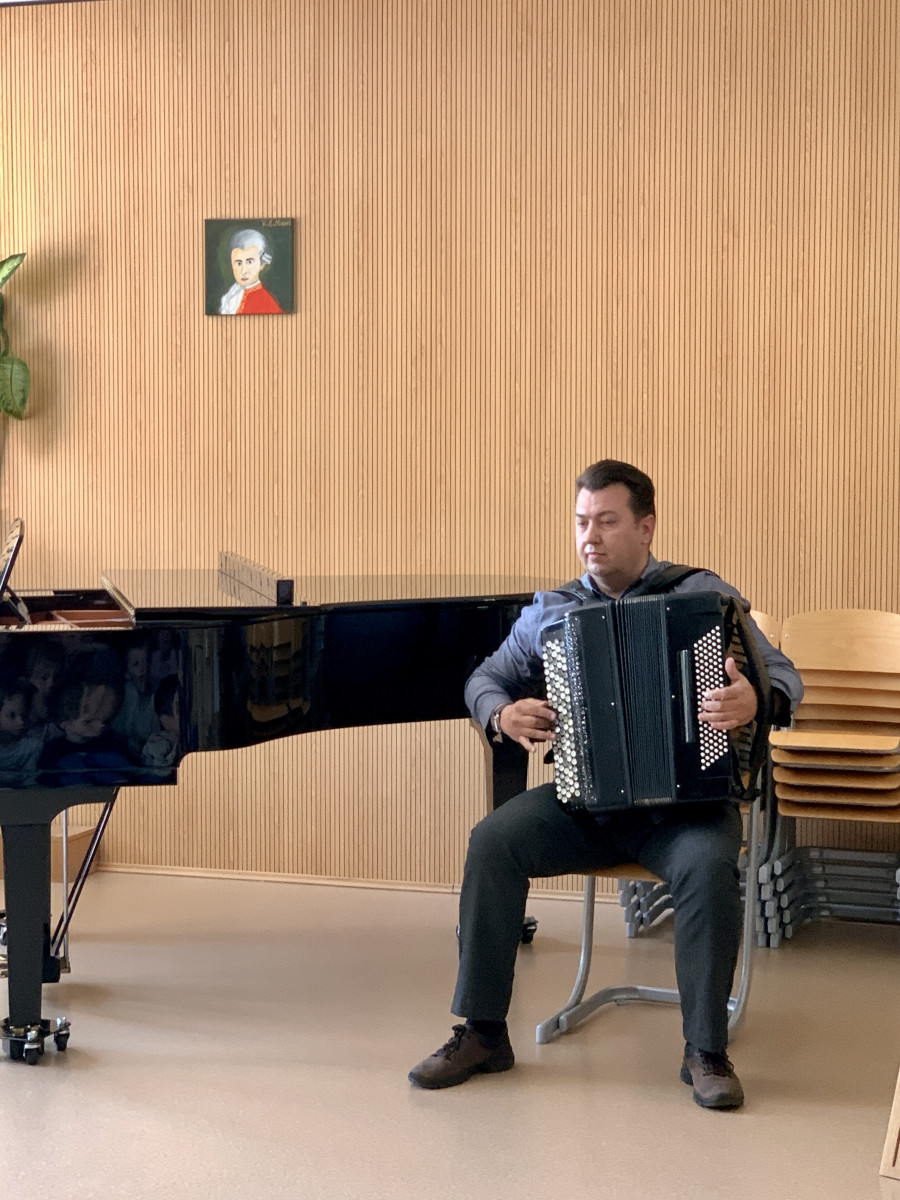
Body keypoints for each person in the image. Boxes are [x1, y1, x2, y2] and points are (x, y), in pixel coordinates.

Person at [408, 460, 803, 1109]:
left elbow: (785, 675)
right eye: (581, 522)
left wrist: (754, 699)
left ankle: (705, 1050)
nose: (589, 537)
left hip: (688, 808)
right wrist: (501, 713)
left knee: (708, 865)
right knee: (493, 841)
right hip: (587, 803)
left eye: (606, 522)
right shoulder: (553, 610)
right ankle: (483, 1033)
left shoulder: (704, 595)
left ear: (646, 527)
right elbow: (484, 679)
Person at [218, 229, 283, 315]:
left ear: (262, 264)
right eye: (238, 263)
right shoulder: (232, 293)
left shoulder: (266, 303)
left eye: (249, 262)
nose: (243, 271)